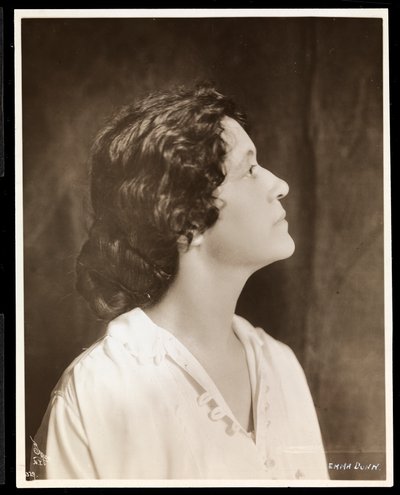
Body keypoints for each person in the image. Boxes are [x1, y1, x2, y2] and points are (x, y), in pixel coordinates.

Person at [31, 84, 328, 480]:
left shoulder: (280, 364)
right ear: (187, 220)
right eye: (249, 170)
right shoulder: (98, 391)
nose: (279, 184)